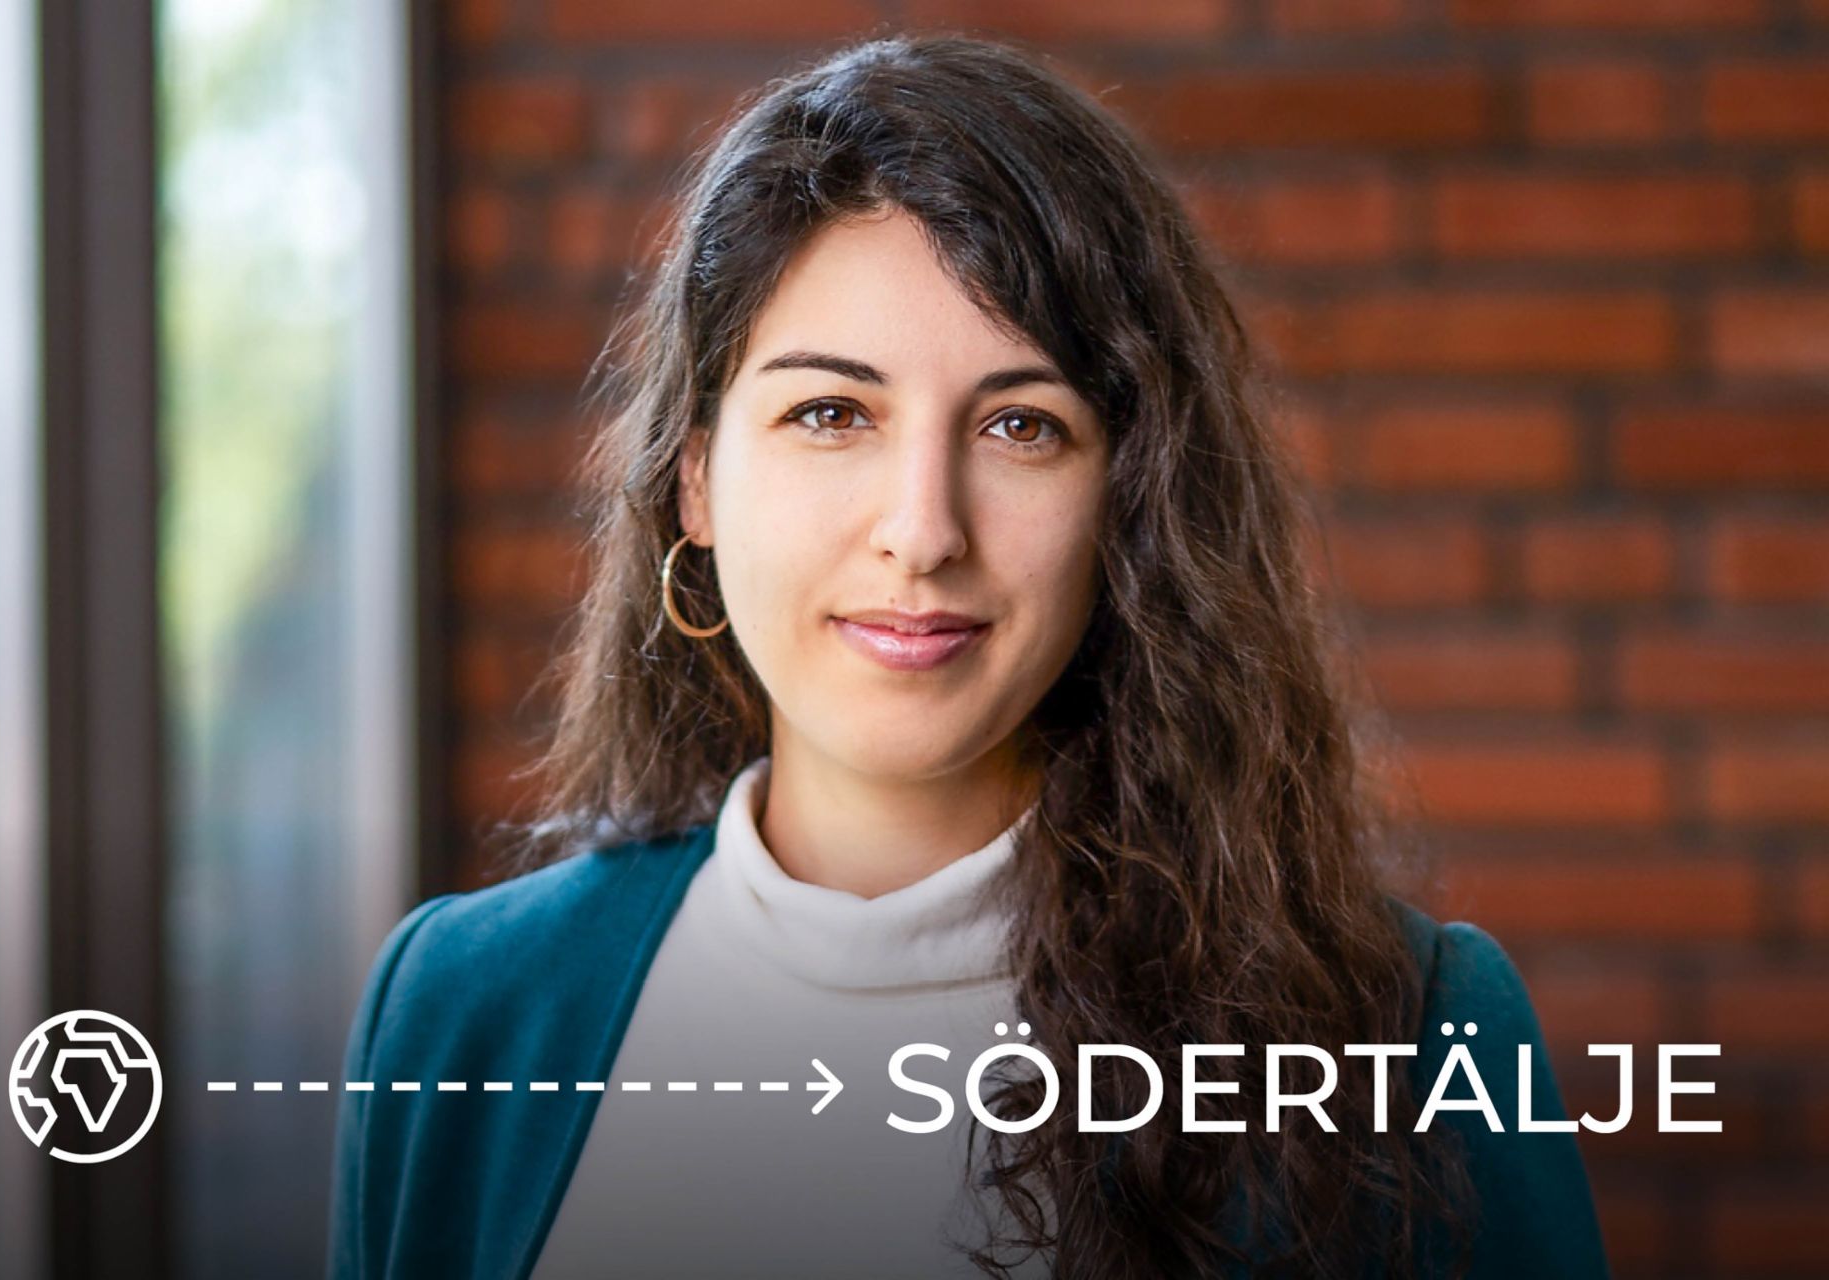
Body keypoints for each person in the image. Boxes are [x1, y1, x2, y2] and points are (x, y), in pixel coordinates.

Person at [327, 31, 1609, 1280]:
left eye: (1020, 425)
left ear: (1132, 497)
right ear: (696, 482)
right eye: (831, 413)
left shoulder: (1412, 1035)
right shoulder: (460, 1012)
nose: (924, 530)